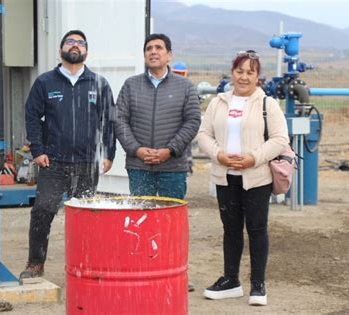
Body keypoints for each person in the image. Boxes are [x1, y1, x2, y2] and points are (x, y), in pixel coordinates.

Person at [21, 30, 116, 280]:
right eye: (70, 42)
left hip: (86, 163)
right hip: (53, 161)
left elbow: (109, 121)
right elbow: (32, 116)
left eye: (81, 43)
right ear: (61, 49)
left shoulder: (99, 83)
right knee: (42, 210)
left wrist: (108, 153)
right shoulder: (45, 82)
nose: (75, 46)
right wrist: (38, 150)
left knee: (83, 216)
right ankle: (35, 263)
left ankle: (83, 263)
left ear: (86, 51)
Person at [196, 50, 289, 306]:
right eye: (239, 71)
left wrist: (253, 158)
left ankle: (258, 284)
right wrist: (219, 155)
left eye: (250, 72)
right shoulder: (218, 103)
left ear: (258, 76)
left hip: (256, 177)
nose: (244, 77)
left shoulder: (267, 104)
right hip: (226, 176)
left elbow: (280, 139)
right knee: (231, 229)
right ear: (232, 72)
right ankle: (231, 280)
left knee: (257, 230)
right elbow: (203, 134)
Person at [115, 33, 201, 292]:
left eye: (159, 48)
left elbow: (193, 121)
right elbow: (120, 120)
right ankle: (142, 270)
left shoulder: (185, 87)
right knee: (140, 219)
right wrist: (137, 150)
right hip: (139, 166)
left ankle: (174, 272)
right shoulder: (130, 86)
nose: (154, 52)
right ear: (145, 55)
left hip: (172, 167)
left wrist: (170, 150)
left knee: (171, 221)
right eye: (149, 48)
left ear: (169, 55)